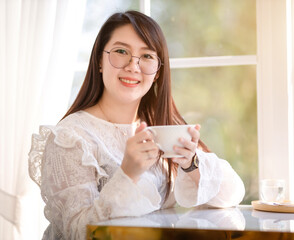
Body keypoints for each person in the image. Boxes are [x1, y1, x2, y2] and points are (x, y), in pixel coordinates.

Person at [28, 10, 245, 240]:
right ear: (99, 62)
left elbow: (232, 194)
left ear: (158, 72)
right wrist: (128, 173)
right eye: (121, 51)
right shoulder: (70, 138)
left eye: (147, 56)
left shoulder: (161, 129)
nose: (133, 66)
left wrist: (191, 164)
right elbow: (77, 232)